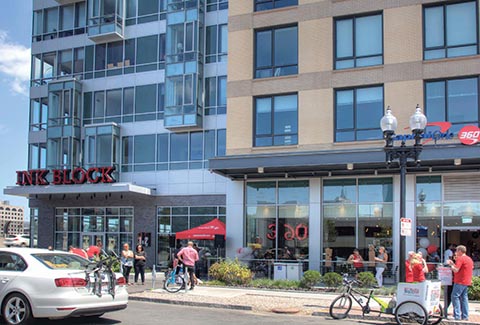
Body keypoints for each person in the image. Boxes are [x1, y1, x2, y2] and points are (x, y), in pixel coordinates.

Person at [447, 245, 474, 321]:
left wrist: (451, 265)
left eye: (456, 251)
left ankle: (457, 315)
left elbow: (456, 270)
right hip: (466, 280)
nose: (455, 253)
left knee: (454, 296)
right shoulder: (469, 259)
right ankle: (465, 316)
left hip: (460, 280)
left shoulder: (460, 259)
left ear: (460, 251)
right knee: (464, 298)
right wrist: (453, 264)